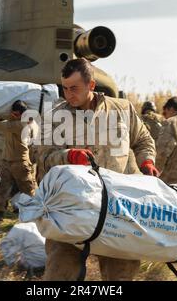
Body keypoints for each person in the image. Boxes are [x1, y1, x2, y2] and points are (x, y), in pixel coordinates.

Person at [35, 58, 157, 281]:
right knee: (59, 275)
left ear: (91, 85)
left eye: (74, 88)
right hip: (70, 209)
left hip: (117, 210)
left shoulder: (122, 109)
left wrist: (146, 162)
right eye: (64, 88)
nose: (68, 94)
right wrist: (69, 155)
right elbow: (42, 158)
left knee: (120, 277)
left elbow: (143, 140)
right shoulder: (54, 117)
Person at [0, 99, 37, 225]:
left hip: (20, 162)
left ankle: (35, 218)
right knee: (1, 190)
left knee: (28, 190)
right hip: (6, 162)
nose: (12, 115)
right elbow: (2, 121)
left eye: (16, 114)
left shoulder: (21, 124)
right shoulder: (14, 122)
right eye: (12, 113)